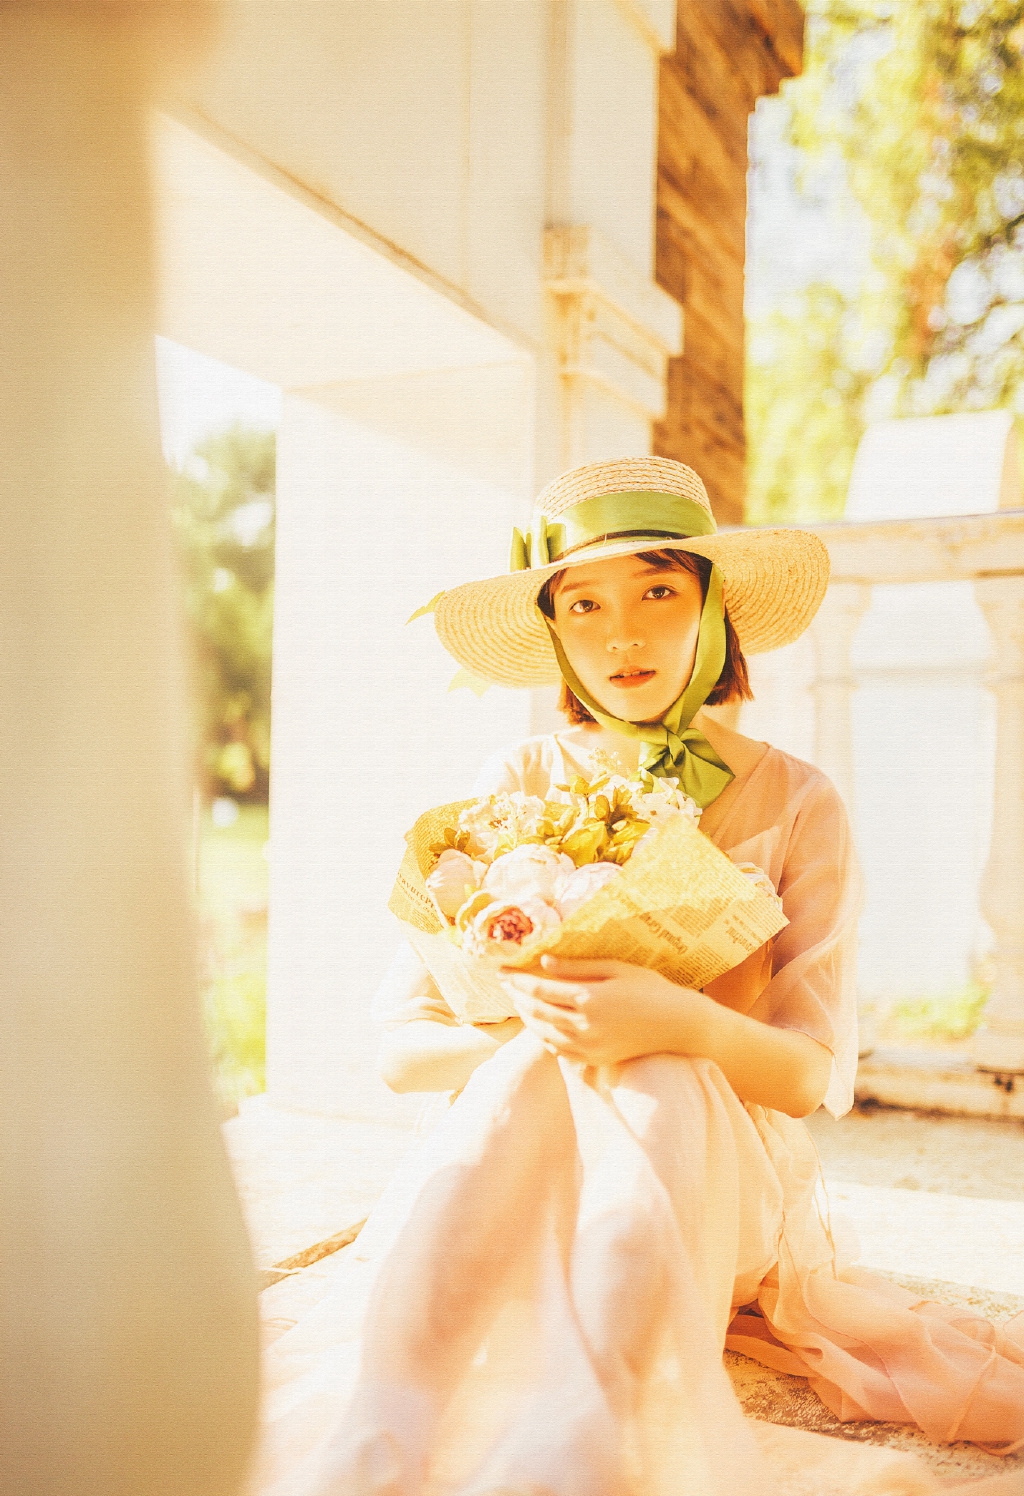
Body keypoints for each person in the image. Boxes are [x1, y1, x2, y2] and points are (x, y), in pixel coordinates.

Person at [254, 457, 1024, 1496]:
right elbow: (399, 1051)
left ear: (713, 608)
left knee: (658, 1060)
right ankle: (392, 1418)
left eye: (659, 589)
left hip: (718, 1185)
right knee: (550, 1052)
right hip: (519, 1177)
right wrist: (549, 1021)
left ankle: (585, 1428)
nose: (622, 632)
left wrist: (672, 1019)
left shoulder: (799, 800)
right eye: (584, 601)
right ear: (557, 630)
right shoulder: (516, 783)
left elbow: (806, 1075)